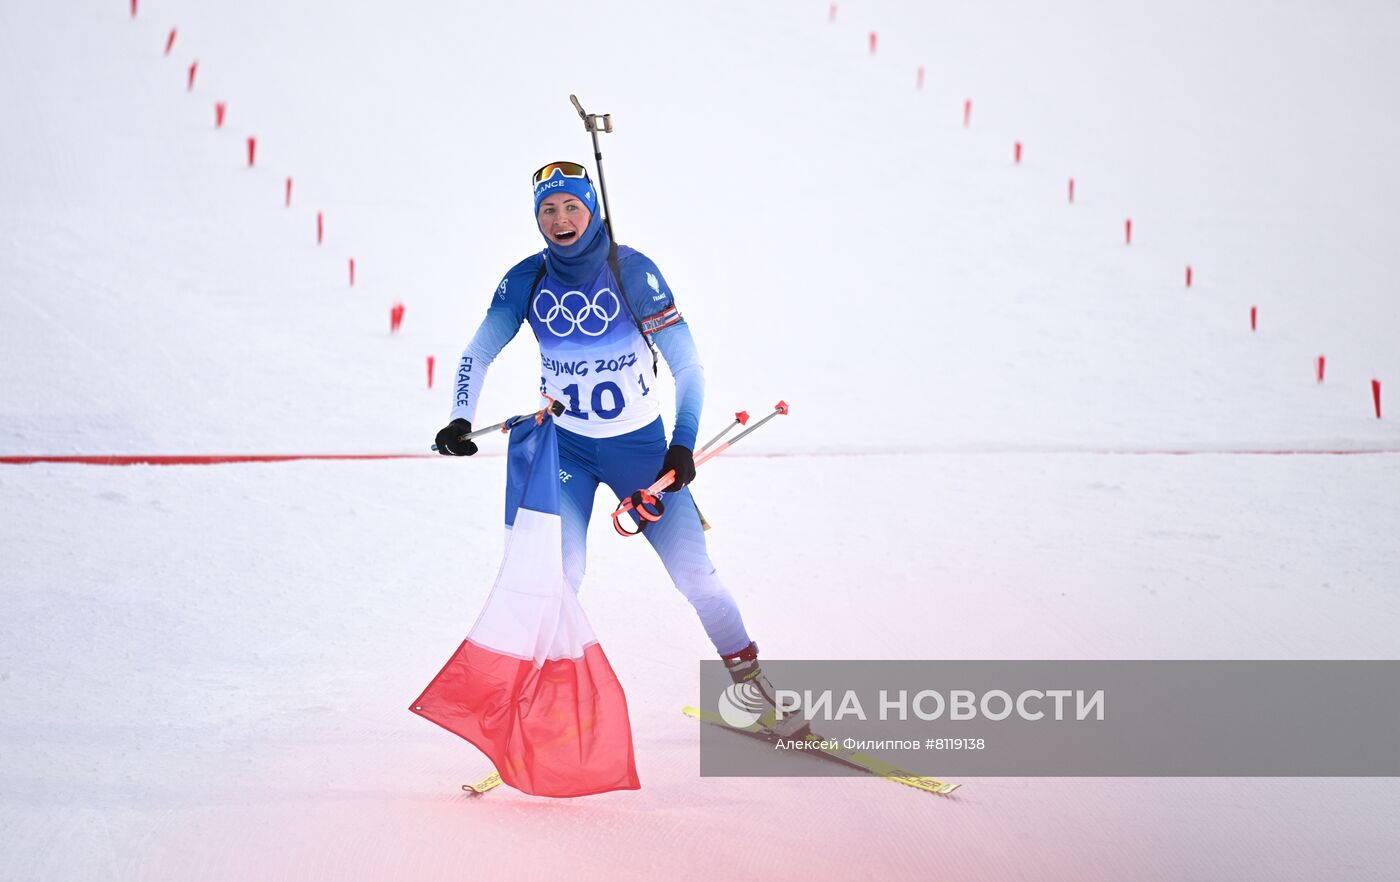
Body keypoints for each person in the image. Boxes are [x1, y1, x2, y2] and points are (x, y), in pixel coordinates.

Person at [434, 161, 803, 735]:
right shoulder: (526, 279)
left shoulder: (632, 272)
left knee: (697, 579)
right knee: (559, 575)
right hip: (568, 456)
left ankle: (755, 692)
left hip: (644, 455)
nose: (560, 220)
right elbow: (476, 353)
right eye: (547, 210)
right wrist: (460, 419)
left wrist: (681, 447)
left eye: (571, 207)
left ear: (592, 208)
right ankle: (535, 705)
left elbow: (689, 367)